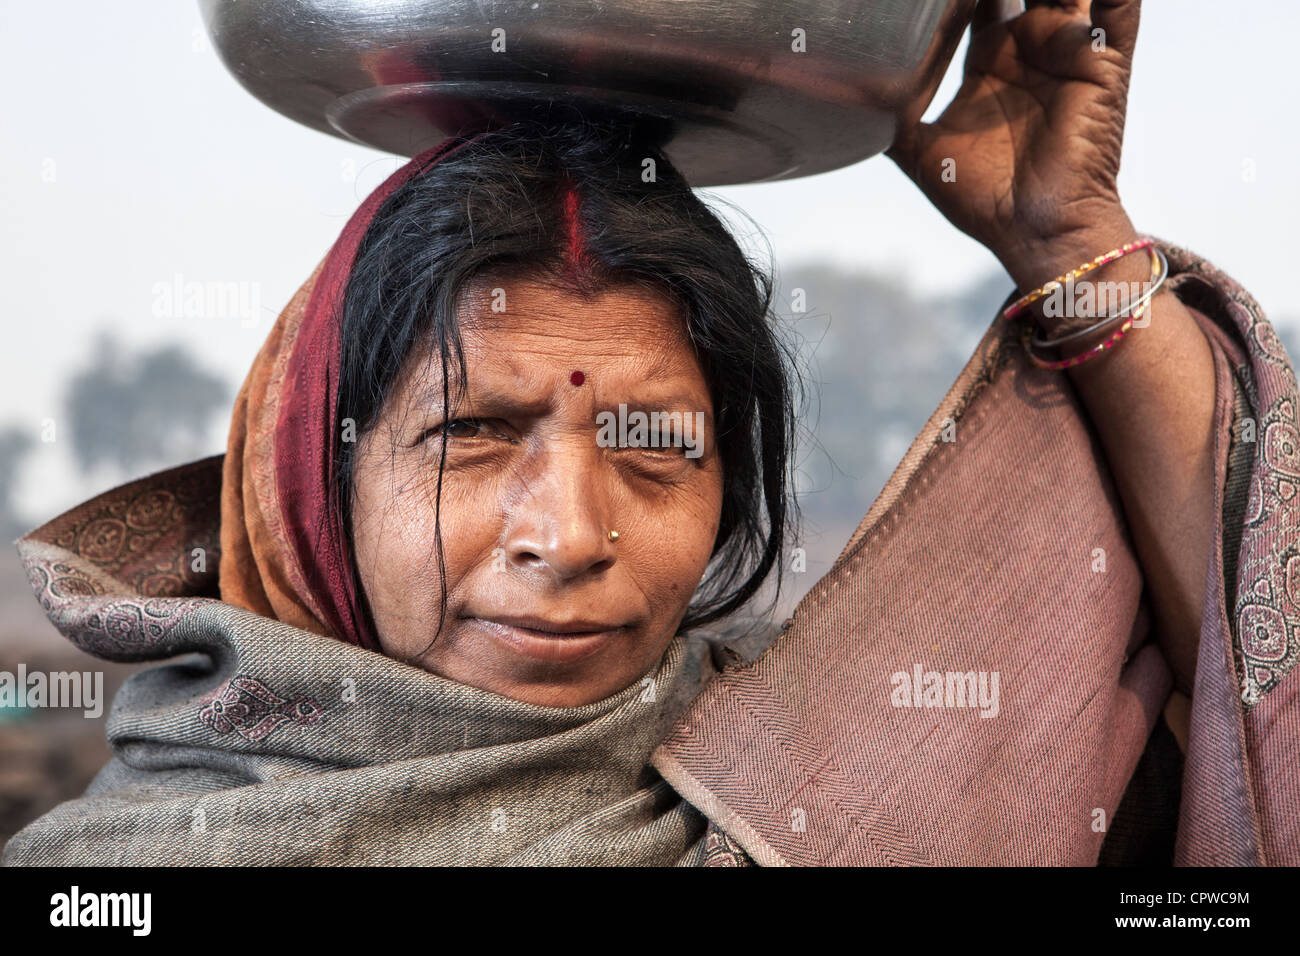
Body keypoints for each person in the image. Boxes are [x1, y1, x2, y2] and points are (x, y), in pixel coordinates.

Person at [4, 0, 1296, 865]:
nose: (569, 536)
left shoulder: (844, 791)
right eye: (473, 432)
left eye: (655, 447)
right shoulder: (116, 872)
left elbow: (1264, 728)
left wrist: (1061, 242)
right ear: (312, 478)